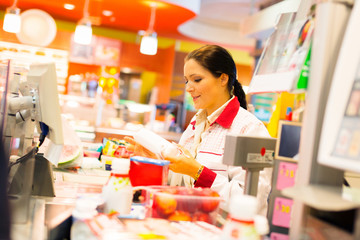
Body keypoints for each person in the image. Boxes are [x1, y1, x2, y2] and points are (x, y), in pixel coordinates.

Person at [126, 45, 272, 215]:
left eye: (197, 80)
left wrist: (197, 172)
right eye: (187, 80)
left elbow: (250, 201)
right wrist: (156, 162)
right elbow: (180, 184)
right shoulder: (197, 122)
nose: (188, 87)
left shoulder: (249, 129)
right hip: (189, 223)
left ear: (223, 79)